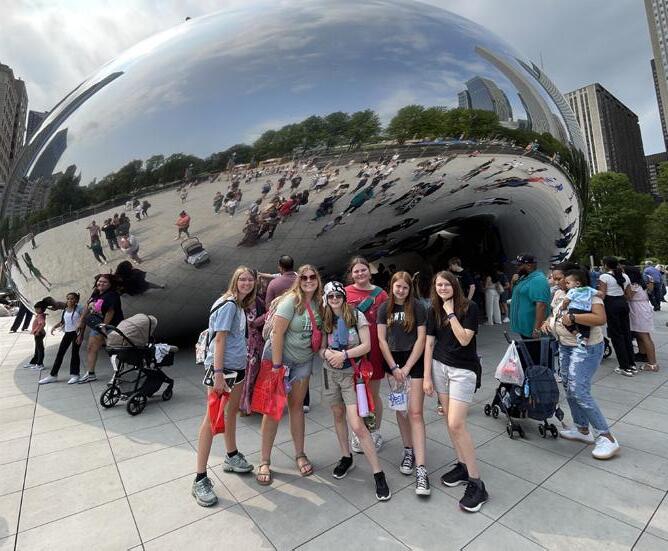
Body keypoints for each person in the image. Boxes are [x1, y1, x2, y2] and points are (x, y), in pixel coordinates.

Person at [320, 281, 391, 501]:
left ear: (343, 296)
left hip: (352, 374)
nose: (334, 299)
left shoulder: (355, 315)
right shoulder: (325, 317)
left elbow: (366, 345)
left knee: (358, 424)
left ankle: (378, 473)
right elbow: (321, 348)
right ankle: (346, 456)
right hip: (330, 373)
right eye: (331, 296)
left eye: (338, 296)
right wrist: (327, 354)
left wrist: (344, 355)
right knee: (337, 414)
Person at [192, 267, 257, 507]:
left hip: (236, 368)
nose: (247, 283)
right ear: (235, 280)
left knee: (231, 413)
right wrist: (218, 374)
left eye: (250, 279)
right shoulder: (229, 304)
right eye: (242, 279)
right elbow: (219, 339)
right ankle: (200, 478)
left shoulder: (238, 304)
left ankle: (231, 455)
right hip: (223, 370)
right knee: (211, 420)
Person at [423, 271, 487, 512]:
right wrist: (427, 376)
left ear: (454, 285)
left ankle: (477, 483)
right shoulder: (432, 309)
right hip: (439, 367)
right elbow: (429, 343)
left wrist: (450, 313)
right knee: (449, 423)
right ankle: (462, 465)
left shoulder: (469, 307)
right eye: (438, 285)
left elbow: (464, 339)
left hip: (463, 370)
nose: (442, 288)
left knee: (456, 423)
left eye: (446, 284)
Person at [542, 265, 620, 459]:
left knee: (579, 390)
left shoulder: (588, 294)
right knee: (568, 387)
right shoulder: (561, 294)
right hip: (565, 346)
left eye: (560, 278)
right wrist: (548, 322)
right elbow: (554, 313)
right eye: (555, 278)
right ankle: (582, 429)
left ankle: (606, 437)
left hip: (585, 348)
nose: (556, 282)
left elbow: (600, 318)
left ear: (574, 279)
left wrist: (574, 317)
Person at [256, 264, 323, 486]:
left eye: (312, 277)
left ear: (317, 280)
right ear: (298, 280)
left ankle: (300, 454)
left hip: (303, 362)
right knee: (273, 411)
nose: (308, 280)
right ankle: (264, 461)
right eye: (304, 277)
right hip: (281, 362)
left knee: (297, 408)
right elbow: (277, 333)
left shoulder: (319, 303)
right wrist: (276, 367)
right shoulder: (290, 301)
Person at [377, 271, 429, 495]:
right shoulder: (384, 308)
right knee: (400, 410)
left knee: (415, 412)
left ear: (410, 289)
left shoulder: (418, 307)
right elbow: (381, 340)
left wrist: (407, 367)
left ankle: (421, 469)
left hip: (413, 362)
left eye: (405, 287)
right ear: (392, 286)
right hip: (393, 363)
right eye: (397, 286)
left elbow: (421, 338)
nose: (401, 290)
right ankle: (408, 450)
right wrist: (394, 367)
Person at [345, 257, 389, 452]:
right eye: (356, 271)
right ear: (351, 274)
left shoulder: (381, 294)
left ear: (370, 272)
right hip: (353, 351)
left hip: (375, 351)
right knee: (355, 393)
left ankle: (374, 431)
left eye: (363, 270)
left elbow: (388, 322)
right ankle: (359, 431)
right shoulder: (345, 292)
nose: (360, 273)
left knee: (373, 393)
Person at [77, 274, 124, 383]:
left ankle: (118, 375)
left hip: (112, 326)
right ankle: (90, 374)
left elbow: (110, 312)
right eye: (99, 281)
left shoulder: (112, 295)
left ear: (110, 284)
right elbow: (87, 305)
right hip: (98, 325)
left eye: (104, 282)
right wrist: (81, 320)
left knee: (113, 351)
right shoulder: (96, 292)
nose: (101, 283)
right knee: (91, 348)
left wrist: (104, 327)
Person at [509, 253, 551, 366]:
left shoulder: (538, 280)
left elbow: (541, 305)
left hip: (532, 330)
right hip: (525, 329)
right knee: (529, 357)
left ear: (529, 265)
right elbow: (515, 293)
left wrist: (537, 329)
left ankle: (537, 374)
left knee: (536, 358)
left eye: (519, 265)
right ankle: (531, 373)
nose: (517, 267)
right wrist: (513, 282)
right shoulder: (525, 278)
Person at [598, 257, 636, 377]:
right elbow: (629, 295)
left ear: (605, 265)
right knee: (626, 333)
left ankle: (624, 366)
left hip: (611, 304)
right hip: (623, 304)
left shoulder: (604, 277)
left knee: (616, 335)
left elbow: (602, 295)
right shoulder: (625, 276)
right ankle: (632, 363)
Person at [38, 292, 83, 384]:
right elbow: (63, 321)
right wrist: (55, 326)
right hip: (67, 333)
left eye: (72, 299)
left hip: (76, 334)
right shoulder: (65, 310)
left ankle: (75, 375)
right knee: (60, 354)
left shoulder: (79, 309)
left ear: (76, 300)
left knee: (75, 354)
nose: (70, 300)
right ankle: (53, 375)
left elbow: (83, 323)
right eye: (68, 299)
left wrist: (80, 335)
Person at [626, 266, 659, 372]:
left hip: (639, 311)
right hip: (640, 309)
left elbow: (628, 297)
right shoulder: (641, 284)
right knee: (640, 334)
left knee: (645, 336)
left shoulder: (634, 285)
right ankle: (643, 354)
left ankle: (653, 364)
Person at [562, 270, 599, 348]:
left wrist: (563, 307)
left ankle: (577, 334)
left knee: (565, 322)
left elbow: (566, 301)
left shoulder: (572, 290)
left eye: (568, 283)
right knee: (586, 326)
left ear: (578, 283)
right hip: (586, 311)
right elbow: (600, 293)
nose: (566, 285)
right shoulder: (589, 289)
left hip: (574, 310)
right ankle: (585, 340)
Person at [24, 301, 47, 370]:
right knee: (37, 349)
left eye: (37, 309)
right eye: (35, 309)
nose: (36, 310)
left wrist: (38, 331)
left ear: (42, 309)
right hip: (38, 334)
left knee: (40, 349)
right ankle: (34, 362)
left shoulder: (40, 316)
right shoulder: (40, 315)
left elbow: (43, 323)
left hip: (39, 334)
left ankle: (40, 364)